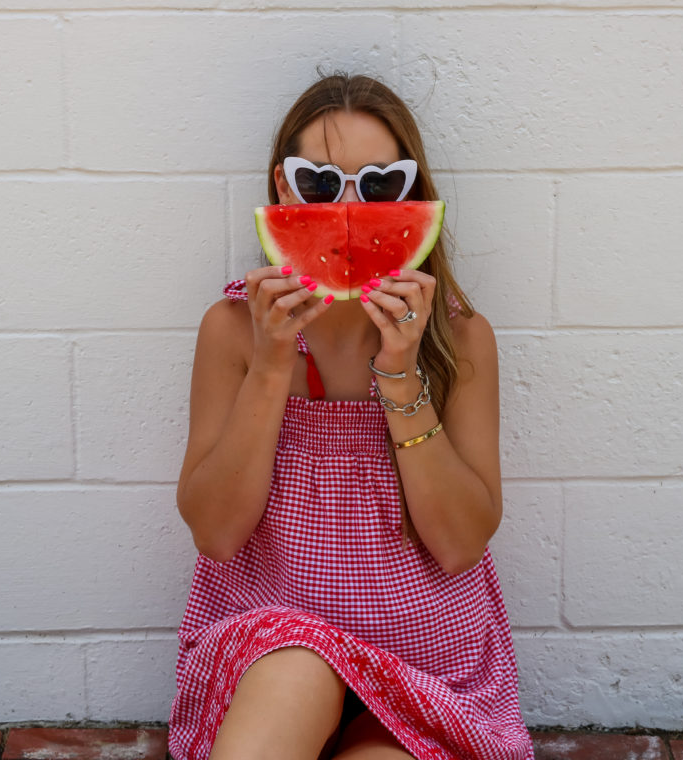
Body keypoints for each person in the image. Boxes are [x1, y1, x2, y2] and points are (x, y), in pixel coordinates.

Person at [168, 73, 534, 760]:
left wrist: (401, 375)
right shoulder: (231, 332)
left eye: (378, 186)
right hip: (273, 647)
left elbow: (460, 544)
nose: (345, 210)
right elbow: (216, 532)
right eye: (318, 184)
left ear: (414, 196)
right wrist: (273, 363)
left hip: (427, 668)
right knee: (296, 670)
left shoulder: (461, 339)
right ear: (283, 190)